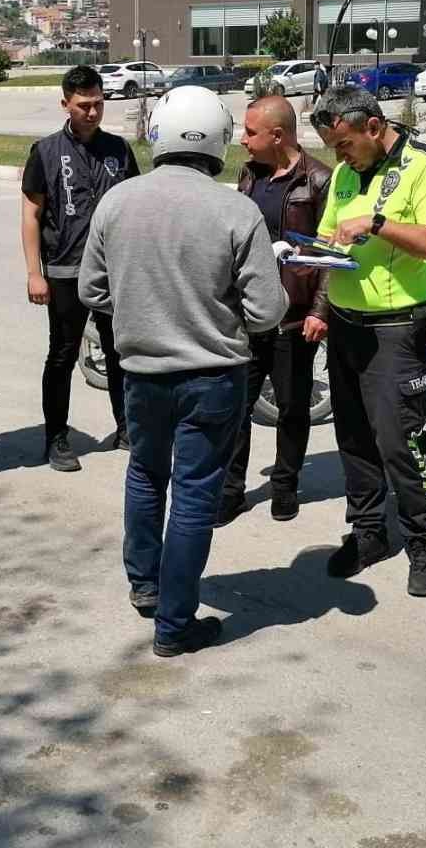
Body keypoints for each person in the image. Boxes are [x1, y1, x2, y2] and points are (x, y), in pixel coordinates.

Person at [79, 85, 287, 658]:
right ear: (218, 142)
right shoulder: (237, 210)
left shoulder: (117, 202)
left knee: (146, 475)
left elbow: (91, 288)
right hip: (213, 377)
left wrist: (140, 301)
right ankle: (174, 624)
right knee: (195, 495)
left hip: (141, 372)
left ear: (159, 137)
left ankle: (145, 585)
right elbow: (268, 311)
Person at [307, 85, 426, 597]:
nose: (338, 156)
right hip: (347, 324)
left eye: (344, 144)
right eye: (333, 147)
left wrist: (377, 222)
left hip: (397, 328)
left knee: (400, 441)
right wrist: (316, 292)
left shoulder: (425, 166)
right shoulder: (348, 174)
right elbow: (330, 241)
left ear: (372, 127)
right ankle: (368, 532)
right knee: (353, 438)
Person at [217, 82, 331, 527]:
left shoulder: (318, 180)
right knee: (235, 407)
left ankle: (286, 486)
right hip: (248, 315)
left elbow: (327, 253)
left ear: (278, 136)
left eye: (250, 132)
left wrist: (320, 311)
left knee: (293, 407)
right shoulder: (250, 175)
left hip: (294, 318)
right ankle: (231, 490)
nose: (243, 140)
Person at [21, 64, 139, 471]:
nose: (92, 112)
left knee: (120, 353)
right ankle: (56, 437)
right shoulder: (45, 151)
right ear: (65, 104)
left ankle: (126, 428)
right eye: (83, 105)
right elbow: (31, 214)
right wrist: (35, 272)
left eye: (98, 104)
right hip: (65, 272)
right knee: (62, 355)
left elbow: (135, 208)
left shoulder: (119, 150)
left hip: (115, 273)